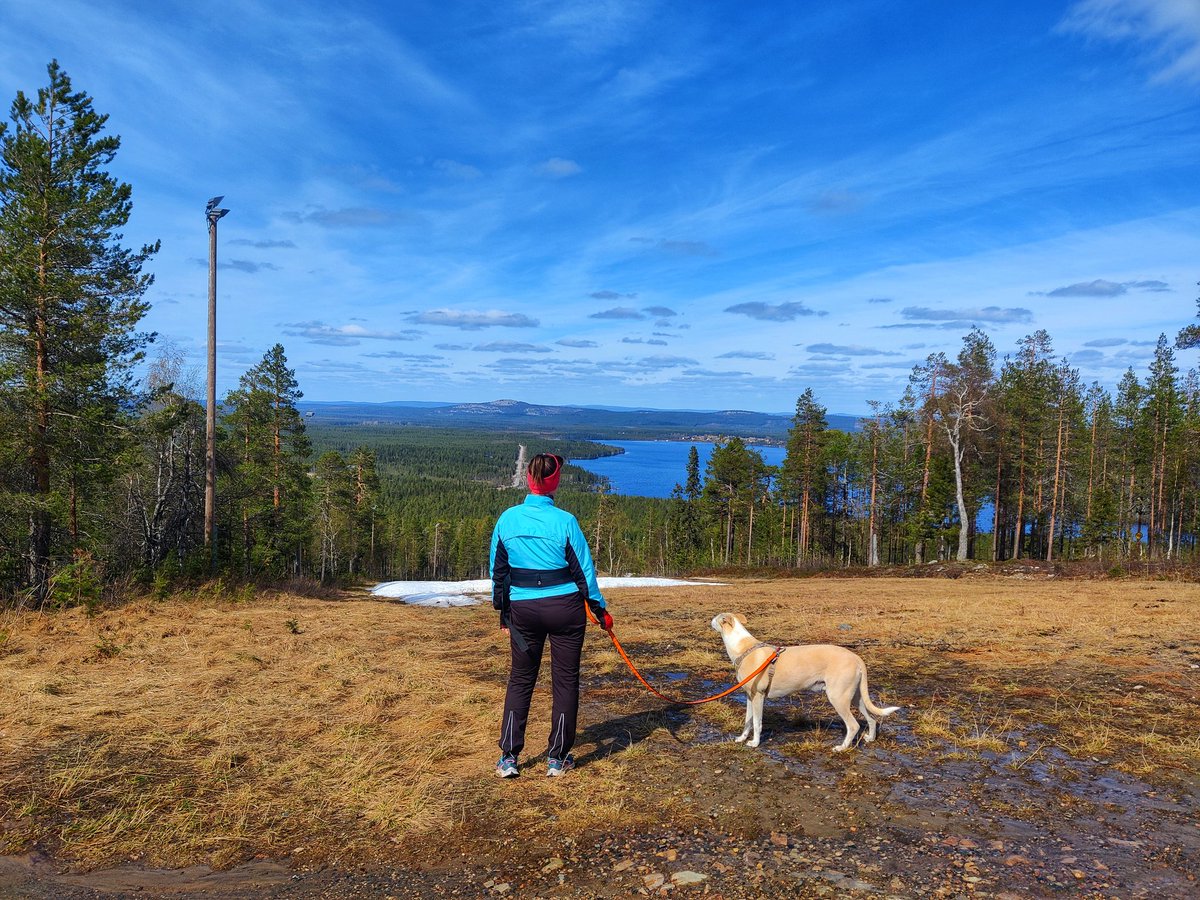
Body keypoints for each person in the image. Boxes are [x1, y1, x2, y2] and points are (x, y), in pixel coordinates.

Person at [490, 452, 612, 778]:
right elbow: (583, 572)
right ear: (554, 481)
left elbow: (499, 572)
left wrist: (504, 614)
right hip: (565, 610)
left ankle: (509, 757)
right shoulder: (566, 522)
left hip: (523, 611)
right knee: (565, 682)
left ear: (529, 480)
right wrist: (600, 610)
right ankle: (557, 759)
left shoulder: (507, 519)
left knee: (520, 679)